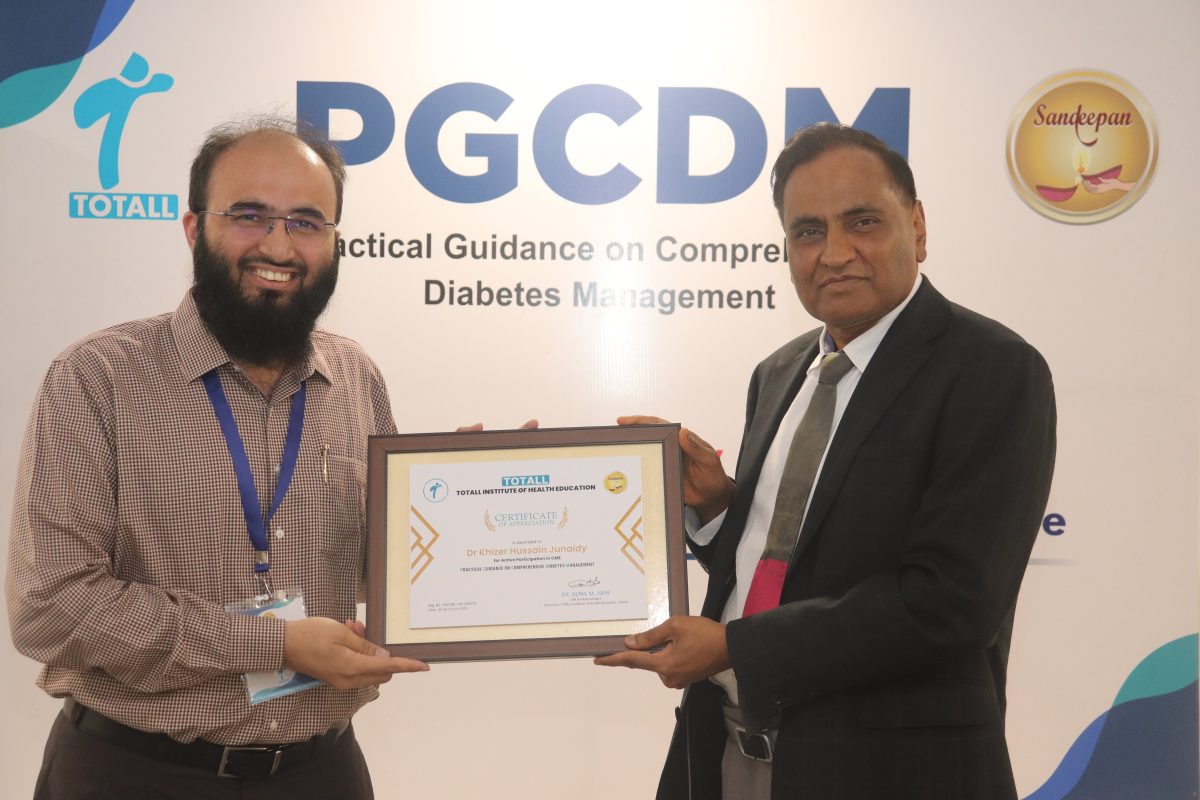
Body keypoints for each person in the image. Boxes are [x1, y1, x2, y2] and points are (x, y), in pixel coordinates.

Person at [597, 123, 1057, 799]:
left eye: (862, 221)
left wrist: (735, 649)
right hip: (729, 753)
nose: (835, 253)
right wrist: (720, 508)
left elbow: (951, 599)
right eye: (808, 231)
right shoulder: (779, 373)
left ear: (917, 227)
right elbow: (795, 564)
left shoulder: (992, 369)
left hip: (891, 775)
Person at [6, 117, 428, 799]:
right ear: (193, 227)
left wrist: (466, 495)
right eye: (249, 216)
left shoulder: (355, 377)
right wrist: (274, 644)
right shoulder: (98, 378)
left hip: (321, 773)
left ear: (334, 241)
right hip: (134, 774)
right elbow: (52, 605)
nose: (278, 246)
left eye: (306, 222)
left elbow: (385, 569)